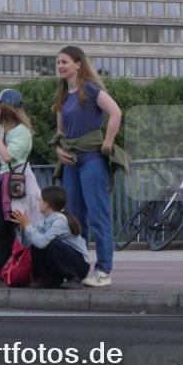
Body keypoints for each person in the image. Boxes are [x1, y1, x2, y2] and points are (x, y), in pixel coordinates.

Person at [51, 45, 125, 288]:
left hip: (92, 159)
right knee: (74, 218)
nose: (60, 66)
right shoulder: (62, 97)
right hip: (71, 162)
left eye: (64, 62)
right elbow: (60, 132)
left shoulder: (91, 89)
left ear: (78, 64)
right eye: (58, 62)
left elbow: (116, 113)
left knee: (98, 215)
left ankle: (104, 270)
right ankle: (78, 269)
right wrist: (59, 150)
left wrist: (108, 144)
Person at [0, 88, 42, 289]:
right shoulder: (3, 132)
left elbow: (8, 157)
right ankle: (0, 271)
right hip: (5, 181)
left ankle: (37, 269)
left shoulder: (22, 132)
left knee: (28, 225)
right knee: (2, 228)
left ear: (7, 107)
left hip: (20, 183)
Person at [11, 186, 90, 289]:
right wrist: (23, 229)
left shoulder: (60, 220)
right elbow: (29, 244)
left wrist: (28, 226)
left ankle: (74, 278)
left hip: (80, 266)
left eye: (40, 200)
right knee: (37, 244)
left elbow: (42, 242)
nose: (38, 202)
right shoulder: (43, 218)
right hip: (66, 262)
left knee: (52, 244)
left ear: (47, 204)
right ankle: (50, 279)